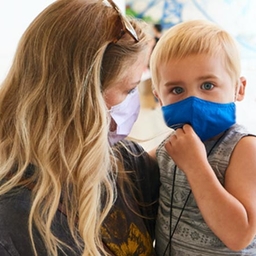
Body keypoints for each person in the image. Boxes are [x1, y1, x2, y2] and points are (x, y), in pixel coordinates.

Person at [0, 0, 159, 255]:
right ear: (81, 100)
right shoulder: (12, 218)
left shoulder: (126, 163)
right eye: (129, 89)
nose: (135, 100)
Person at [149, 19, 256, 255]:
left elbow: (239, 235)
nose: (194, 101)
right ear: (159, 98)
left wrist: (196, 166)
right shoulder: (172, 145)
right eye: (177, 90)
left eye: (208, 85)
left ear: (239, 89)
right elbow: (130, 169)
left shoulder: (244, 147)